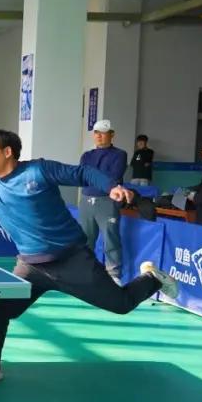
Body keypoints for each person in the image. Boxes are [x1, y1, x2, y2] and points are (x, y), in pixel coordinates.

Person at [0, 129, 178, 385]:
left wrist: (110, 186)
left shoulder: (38, 170)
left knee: (121, 304)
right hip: (31, 267)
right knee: (0, 310)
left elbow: (82, 173)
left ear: (8, 152)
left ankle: (152, 278)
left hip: (71, 260)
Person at [78, 119, 128, 284]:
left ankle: (114, 275)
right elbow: (83, 177)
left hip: (107, 201)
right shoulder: (86, 155)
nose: (99, 136)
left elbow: (114, 177)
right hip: (86, 200)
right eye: (96, 133)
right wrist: (99, 179)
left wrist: (95, 179)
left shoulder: (120, 154)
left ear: (112, 135)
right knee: (85, 240)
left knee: (111, 239)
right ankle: (84, 272)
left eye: (103, 133)